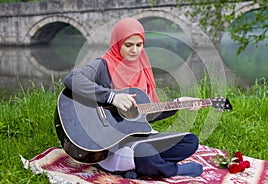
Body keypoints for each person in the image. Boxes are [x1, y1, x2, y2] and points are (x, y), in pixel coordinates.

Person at [63, 17, 203, 179]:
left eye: (139, 45)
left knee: (189, 141)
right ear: (117, 43)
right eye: (128, 45)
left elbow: (146, 114)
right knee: (146, 152)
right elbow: (72, 78)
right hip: (108, 145)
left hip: (136, 137)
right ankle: (173, 171)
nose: (135, 50)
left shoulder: (143, 68)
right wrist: (111, 97)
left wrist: (177, 104)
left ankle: (135, 167)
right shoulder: (103, 65)